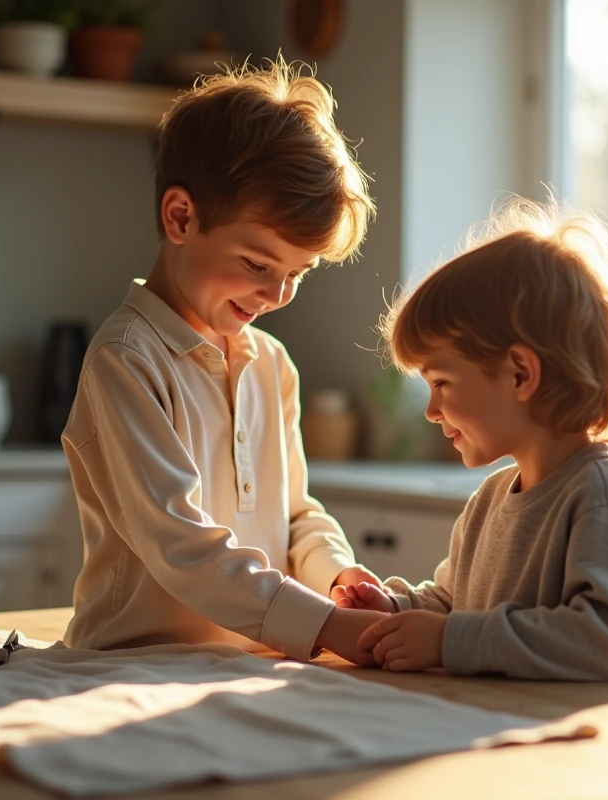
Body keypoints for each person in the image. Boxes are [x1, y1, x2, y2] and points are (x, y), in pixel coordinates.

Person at [62, 59, 385, 665]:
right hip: (125, 669)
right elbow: (181, 545)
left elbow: (295, 516)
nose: (279, 295)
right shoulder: (125, 360)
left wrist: (338, 578)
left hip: (247, 665)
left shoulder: (272, 364)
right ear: (181, 216)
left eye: (298, 273)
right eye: (259, 265)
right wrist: (326, 628)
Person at [345, 199, 608, 692]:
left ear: (520, 373)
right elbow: (454, 605)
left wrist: (448, 641)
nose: (431, 409)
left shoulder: (606, 499)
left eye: (442, 382)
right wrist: (396, 610)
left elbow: (607, 644)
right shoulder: (490, 501)